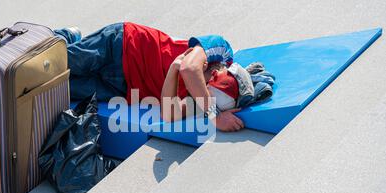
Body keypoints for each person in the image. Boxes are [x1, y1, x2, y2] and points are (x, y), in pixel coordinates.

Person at [55, 22, 244, 132]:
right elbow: (189, 68)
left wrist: (172, 72)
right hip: (124, 46)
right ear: (216, 72)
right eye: (208, 86)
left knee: (52, 88)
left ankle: (69, 41)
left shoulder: (202, 99)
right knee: (50, 64)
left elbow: (169, 114)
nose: (202, 90)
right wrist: (215, 118)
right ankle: (63, 38)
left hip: (122, 87)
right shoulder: (221, 50)